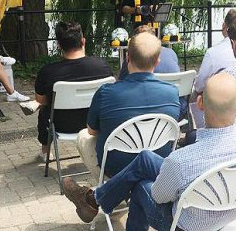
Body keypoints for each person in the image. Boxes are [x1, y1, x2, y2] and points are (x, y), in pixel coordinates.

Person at [62, 73, 236, 231]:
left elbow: (159, 197)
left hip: (187, 229)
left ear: (200, 103)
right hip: (228, 217)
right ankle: (95, 200)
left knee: (141, 186)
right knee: (144, 159)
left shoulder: (181, 160)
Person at [76, 32, 180, 180]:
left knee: (83, 135)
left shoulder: (106, 93)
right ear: (157, 62)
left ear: (127, 58)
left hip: (115, 167)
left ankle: (106, 183)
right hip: (158, 163)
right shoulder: (172, 92)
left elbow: (92, 131)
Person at [34, 22, 113, 161]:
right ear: (83, 41)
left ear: (59, 45)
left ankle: (45, 152)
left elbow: (41, 101)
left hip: (62, 125)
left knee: (44, 110)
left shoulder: (48, 72)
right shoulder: (103, 67)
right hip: (96, 123)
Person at [191, 9, 236, 126]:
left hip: (218, 103)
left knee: (194, 94)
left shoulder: (213, 52)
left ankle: (196, 129)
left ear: (224, 26)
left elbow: (200, 85)